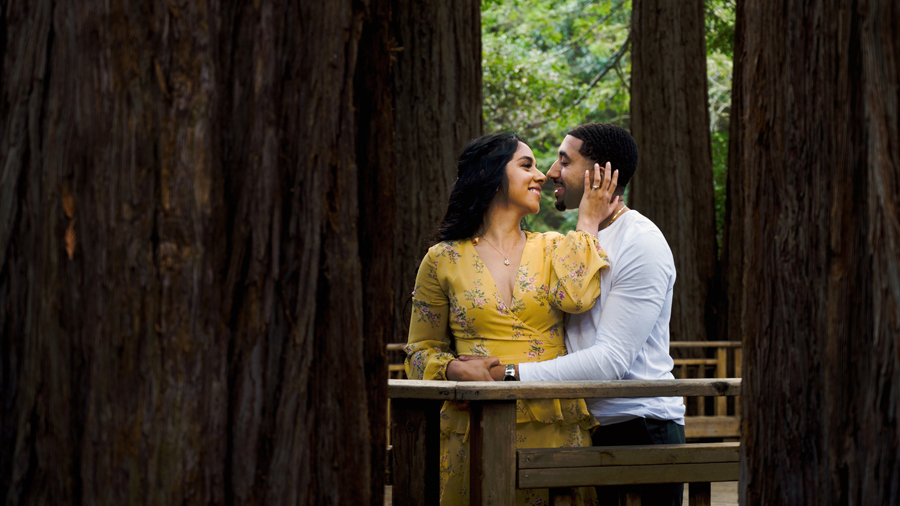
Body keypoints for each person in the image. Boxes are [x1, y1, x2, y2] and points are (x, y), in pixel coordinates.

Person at [468, 123, 687, 505]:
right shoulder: (579, 240)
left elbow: (610, 361)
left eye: (564, 161)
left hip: (639, 428)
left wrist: (507, 375)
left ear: (599, 174)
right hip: (588, 425)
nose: (551, 171)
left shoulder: (642, 243)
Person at [404, 132, 619, 506]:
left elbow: (578, 298)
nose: (541, 175)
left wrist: (587, 221)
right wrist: (454, 369)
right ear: (491, 174)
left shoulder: (554, 246)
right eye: (526, 165)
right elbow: (419, 351)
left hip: (553, 423)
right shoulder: (442, 259)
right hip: (475, 425)